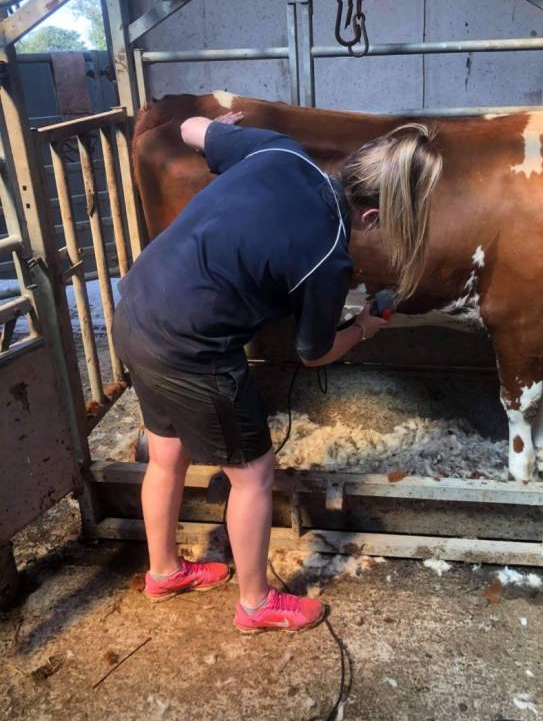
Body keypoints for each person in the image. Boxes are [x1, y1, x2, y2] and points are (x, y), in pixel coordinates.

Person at [112, 111, 442, 633]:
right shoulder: (329, 257)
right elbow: (314, 352)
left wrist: (220, 126)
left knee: (167, 452)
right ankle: (255, 603)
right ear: (374, 216)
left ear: (355, 162)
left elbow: (190, 129)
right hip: (192, 347)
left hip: (135, 308)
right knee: (254, 475)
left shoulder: (280, 151)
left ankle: (164, 571)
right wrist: (364, 330)